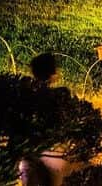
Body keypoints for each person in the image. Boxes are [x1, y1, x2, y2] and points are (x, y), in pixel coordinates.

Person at [19, 54, 68, 186]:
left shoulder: (24, 94)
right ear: (53, 71)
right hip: (52, 154)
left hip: (28, 151)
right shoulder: (61, 94)